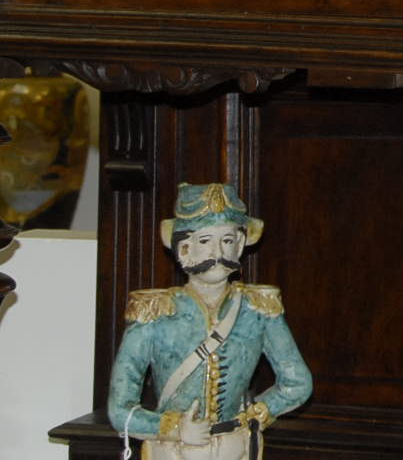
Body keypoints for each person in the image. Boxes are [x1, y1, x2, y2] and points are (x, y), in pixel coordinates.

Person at [108, 184, 312, 458]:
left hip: (236, 449)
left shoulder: (258, 310)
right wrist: (174, 428)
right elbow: (120, 411)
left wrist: (257, 413)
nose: (218, 252)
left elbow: (297, 383)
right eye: (205, 241)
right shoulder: (155, 313)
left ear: (239, 244)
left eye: (227, 240)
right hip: (172, 452)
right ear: (183, 248)